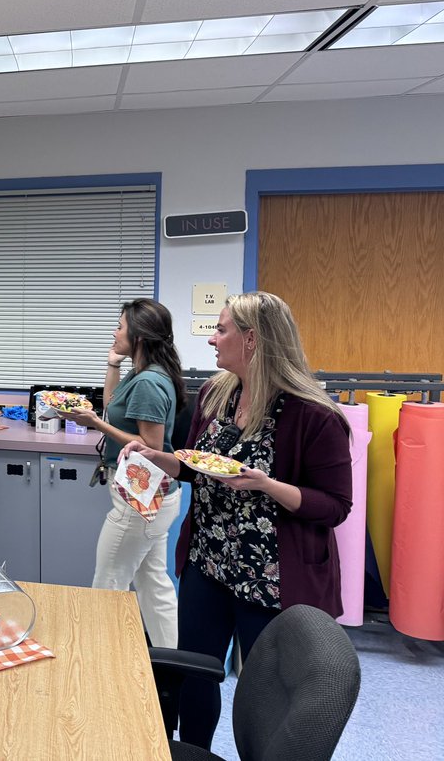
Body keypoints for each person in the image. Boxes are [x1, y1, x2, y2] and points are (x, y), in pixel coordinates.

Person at [121, 291, 351, 749]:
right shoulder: (215, 393)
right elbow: (194, 465)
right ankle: (193, 750)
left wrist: (267, 485)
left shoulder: (314, 414)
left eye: (221, 329)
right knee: (194, 676)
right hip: (208, 564)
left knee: (264, 697)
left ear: (252, 339)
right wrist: (156, 458)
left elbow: (335, 506)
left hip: (271, 579)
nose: (211, 339)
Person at [59, 298, 185, 649]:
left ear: (140, 336)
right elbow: (114, 407)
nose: (114, 332)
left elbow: (149, 447)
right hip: (153, 498)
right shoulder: (142, 374)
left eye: (119, 327)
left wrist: (95, 423)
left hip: (140, 500)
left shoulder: (148, 383)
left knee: (108, 584)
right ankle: (171, 666)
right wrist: (112, 364)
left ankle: (99, 667)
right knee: (153, 585)